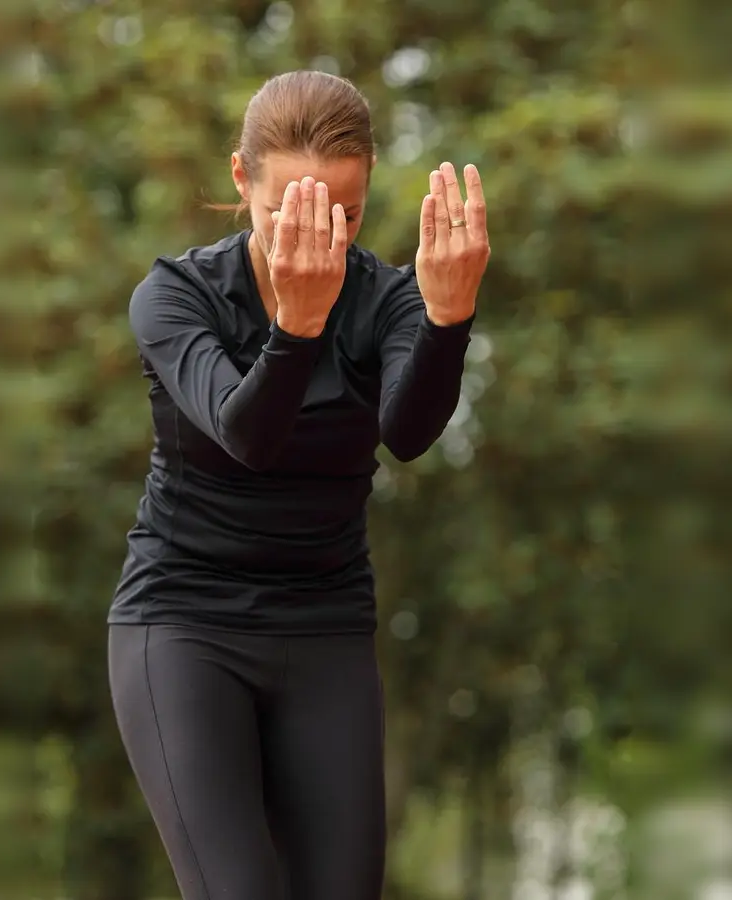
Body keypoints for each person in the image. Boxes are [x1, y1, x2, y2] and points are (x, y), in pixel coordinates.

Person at [107, 70, 491, 899]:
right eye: (290, 211)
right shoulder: (176, 297)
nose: (319, 239)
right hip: (184, 623)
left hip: (325, 626)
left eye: (345, 215)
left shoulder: (387, 300)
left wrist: (448, 320)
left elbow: (408, 434)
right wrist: (296, 328)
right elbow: (247, 435)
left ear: (370, 187)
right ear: (241, 178)